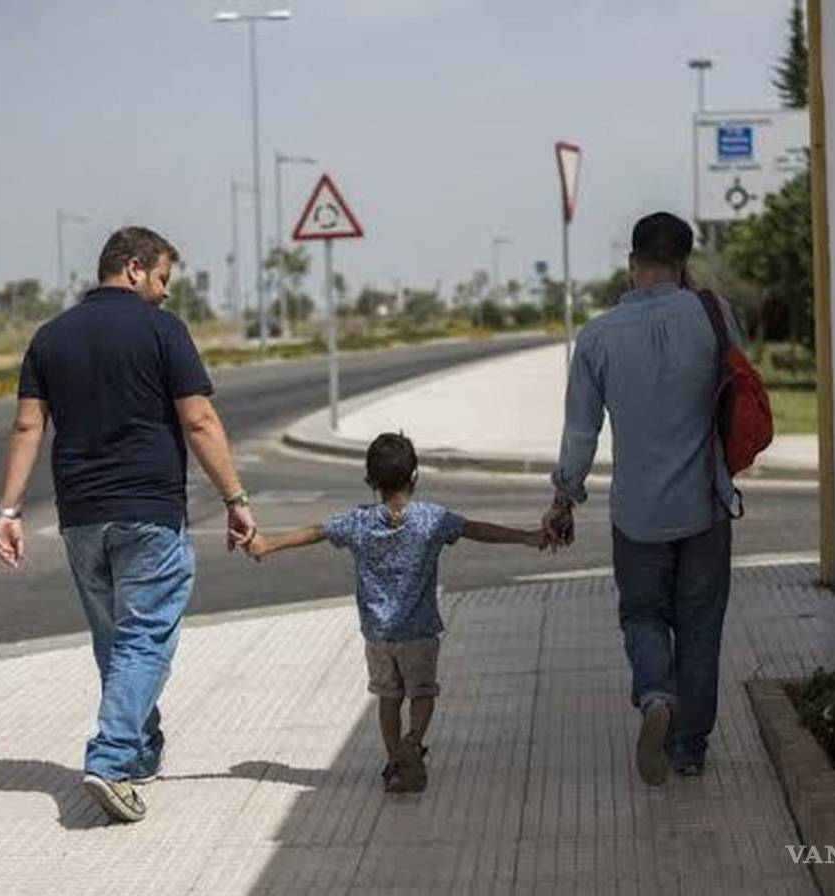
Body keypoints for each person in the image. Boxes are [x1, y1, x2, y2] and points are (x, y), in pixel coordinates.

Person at [0, 226, 257, 823]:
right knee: (144, 640)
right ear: (134, 268)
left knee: (117, 642)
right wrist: (236, 498)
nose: (165, 293)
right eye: (162, 278)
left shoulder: (49, 338)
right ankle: (110, 760)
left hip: (81, 518)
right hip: (148, 512)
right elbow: (200, 421)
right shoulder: (163, 331)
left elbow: (27, 429)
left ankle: (139, 750)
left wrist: (9, 512)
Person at [542, 212, 742, 786]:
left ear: (632, 264)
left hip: (637, 515)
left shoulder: (598, 337)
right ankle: (688, 748)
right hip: (706, 503)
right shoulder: (715, 316)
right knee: (701, 627)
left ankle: (656, 694)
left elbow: (581, 433)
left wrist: (564, 498)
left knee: (644, 614)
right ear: (684, 263)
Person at [250, 432, 546, 793]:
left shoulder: (358, 522)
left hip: (378, 634)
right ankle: (413, 741)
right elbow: (476, 530)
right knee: (422, 693)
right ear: (416, 476)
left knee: (388, 699)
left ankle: (396, 764)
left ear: (370, 482)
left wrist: (268, 543)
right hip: (419, 631)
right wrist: (527, 536)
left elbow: (316, 532)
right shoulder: (431, 519)